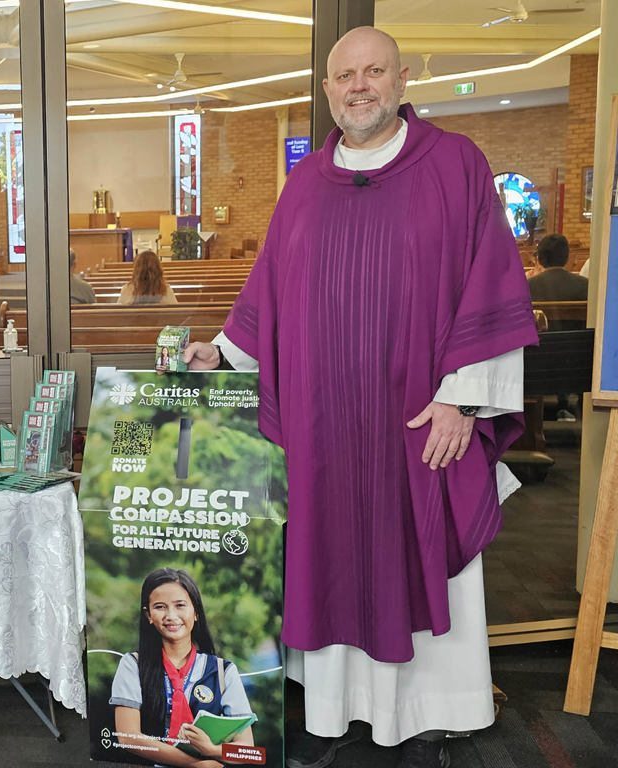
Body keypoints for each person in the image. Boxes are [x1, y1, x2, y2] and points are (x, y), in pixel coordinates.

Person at [183, 27, 537, 768]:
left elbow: (492, 285)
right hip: (325, 427)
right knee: (330, 553)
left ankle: (435, 708)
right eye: (345, 75)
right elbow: (268, 295)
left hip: (419, 419)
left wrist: (462, 399)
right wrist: (223, 352)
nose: (359, 86)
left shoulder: (457, 167)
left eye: (374, 71)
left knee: (419, 543)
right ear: (327, 91)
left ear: (402, 79)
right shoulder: (306, 184)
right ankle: (338, 710)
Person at [110, 568, 255, 767]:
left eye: (180, 605)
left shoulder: (223, 671)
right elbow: (128, 737)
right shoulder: (133, 665)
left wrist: (211, 750)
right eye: (160, 607)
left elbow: (247, 750)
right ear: (148, 615)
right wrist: (194, 765)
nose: (171, 615)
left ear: (195, 612)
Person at [527, 233, 588, 421]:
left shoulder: (528, 286)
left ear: (540, 258)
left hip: (535, 364)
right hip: (577, 365)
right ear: (567, 257)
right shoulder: (585, 286)